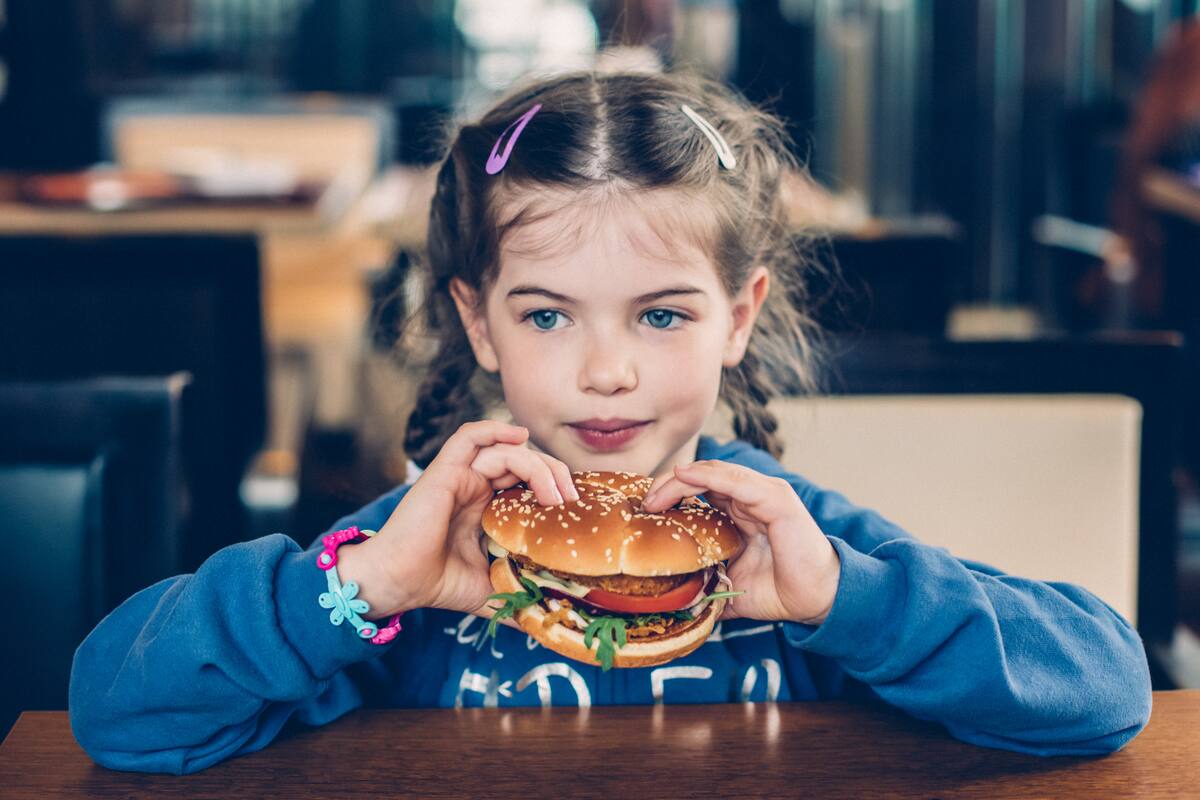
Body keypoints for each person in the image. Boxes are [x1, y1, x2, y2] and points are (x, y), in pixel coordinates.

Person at [69, 70, 1152, 775]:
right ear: (478, 322)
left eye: (662, 314)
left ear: (738, 318)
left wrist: (846, 601)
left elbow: (1105, 689)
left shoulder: (791, 544)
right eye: (546, 314)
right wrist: (358, 590)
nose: (605, 371)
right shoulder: (419, 551)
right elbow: (114, 709)